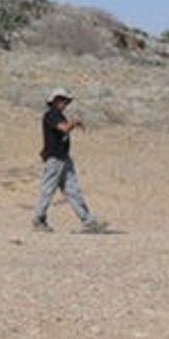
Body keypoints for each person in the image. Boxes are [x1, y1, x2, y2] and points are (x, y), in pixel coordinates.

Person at [33, 88, 108, 233]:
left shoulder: (59, 115)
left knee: (73, 190)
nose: (65, 103)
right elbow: (64, 129)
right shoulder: (51, 115)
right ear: (54, 101)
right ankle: (39, 219)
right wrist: (75, 123)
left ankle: (88, 221)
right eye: (62, 100)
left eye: (66, 101)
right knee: (48, 189)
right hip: (55, 159)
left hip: (63, 158)